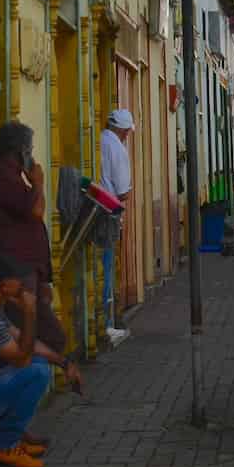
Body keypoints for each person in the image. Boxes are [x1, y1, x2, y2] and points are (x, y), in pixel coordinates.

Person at [0, 253, 83, 467]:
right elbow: (22, 356)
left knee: (40, 363)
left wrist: (64, 362)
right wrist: (30, 311)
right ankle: (5, 445)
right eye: (16, 280)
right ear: (3, 285)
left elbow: (28, 344)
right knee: (37, 371)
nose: (22, 285)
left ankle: (9, 437)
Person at [0, 121, 69, 359]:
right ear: (19, 151)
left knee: (41, 334)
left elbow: (37, 210)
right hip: (13, 269)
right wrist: (38, 183)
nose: (31, 155)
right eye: (29, 150)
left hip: (25, 269)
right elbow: (35, 211)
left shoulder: (13, 176)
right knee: (47, 337)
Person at [99, 108, 135, 345]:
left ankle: (103, 322)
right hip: (108, 212)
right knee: (108, 268)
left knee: (99, 267)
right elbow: (122, 191)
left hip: (93, 209)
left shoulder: (100, 139)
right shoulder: (118, 149)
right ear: (123, 130)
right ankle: (108, 325)